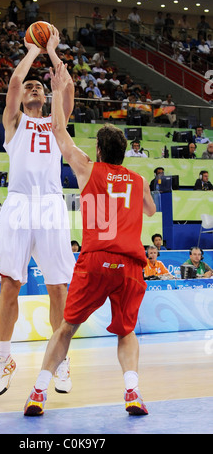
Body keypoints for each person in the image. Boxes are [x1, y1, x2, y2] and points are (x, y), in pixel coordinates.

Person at [24, 62, 156, 417]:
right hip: (129, 265)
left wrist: (58, 87)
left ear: (99, 151)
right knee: (126, 332)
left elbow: (57, 130)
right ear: (123, 153)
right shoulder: (138, 179)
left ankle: (38, 392)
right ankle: (132, 392)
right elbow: (151, 212)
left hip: (96, 259)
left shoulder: (87, 168)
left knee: (66, 328)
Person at [0, 28, 75, 397]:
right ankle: (3, 358)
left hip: (52, 203)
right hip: (20, 203)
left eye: (40, 86)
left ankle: (60, 361)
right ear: (23, 98)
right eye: (31, 86)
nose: (35, 87)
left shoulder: (57, 123)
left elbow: (66, 89)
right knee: (11, 284)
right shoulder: (15, 123)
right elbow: (12, 83)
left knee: (59, 287)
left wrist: (53, 53)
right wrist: (32, 52)